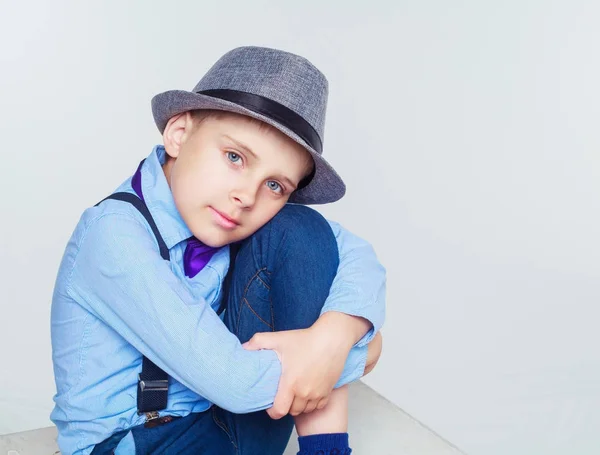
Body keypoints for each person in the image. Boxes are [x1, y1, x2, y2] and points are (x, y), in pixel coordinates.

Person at [50, 46, 386, 455]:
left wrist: (337, 334)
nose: (246, 196)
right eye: (234, 157)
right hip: (132, 443)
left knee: (302, 229)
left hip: (223, 424)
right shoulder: (112, 236)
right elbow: (234, 382)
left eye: (275, 185)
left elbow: (355, 253)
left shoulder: (228, 213)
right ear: (179, 134)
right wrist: (360, 351)